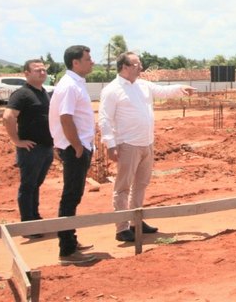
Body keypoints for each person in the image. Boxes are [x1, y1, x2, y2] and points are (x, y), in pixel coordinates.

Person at [99, 52, 196, 242]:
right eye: (136, 65)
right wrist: (110, 145)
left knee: (141, 185)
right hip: (127, 144)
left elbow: (163, 91)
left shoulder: (143, 86)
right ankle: (122, 227)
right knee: (123, 187)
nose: (140, 68)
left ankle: (136, 221)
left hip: (146, 143)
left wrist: (181, 88)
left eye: (139, 64)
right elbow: (104, 119)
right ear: (124, 67)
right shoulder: (112, 90)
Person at [49, 45, 96, 265]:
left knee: (73, 197)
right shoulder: (69, 86)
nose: (92, 62)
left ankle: (70, 241)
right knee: (70, 197)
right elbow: (65, 118)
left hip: (77, 147)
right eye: (88, 59)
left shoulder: (75, 83)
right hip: (74, 149)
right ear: (75, 63)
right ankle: (66, 250)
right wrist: (77, 146)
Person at [2, 59, 54, 237]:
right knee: (28, 186)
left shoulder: (43, 93)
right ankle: (27, 225)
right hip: (31, 149)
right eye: (37, 70)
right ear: (26, 73)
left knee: (36, 185)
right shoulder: (22, 94)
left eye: (43, 70)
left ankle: (34, 217)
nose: (42, 73)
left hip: (45, 147)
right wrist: (17, 141)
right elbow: (8, 117)